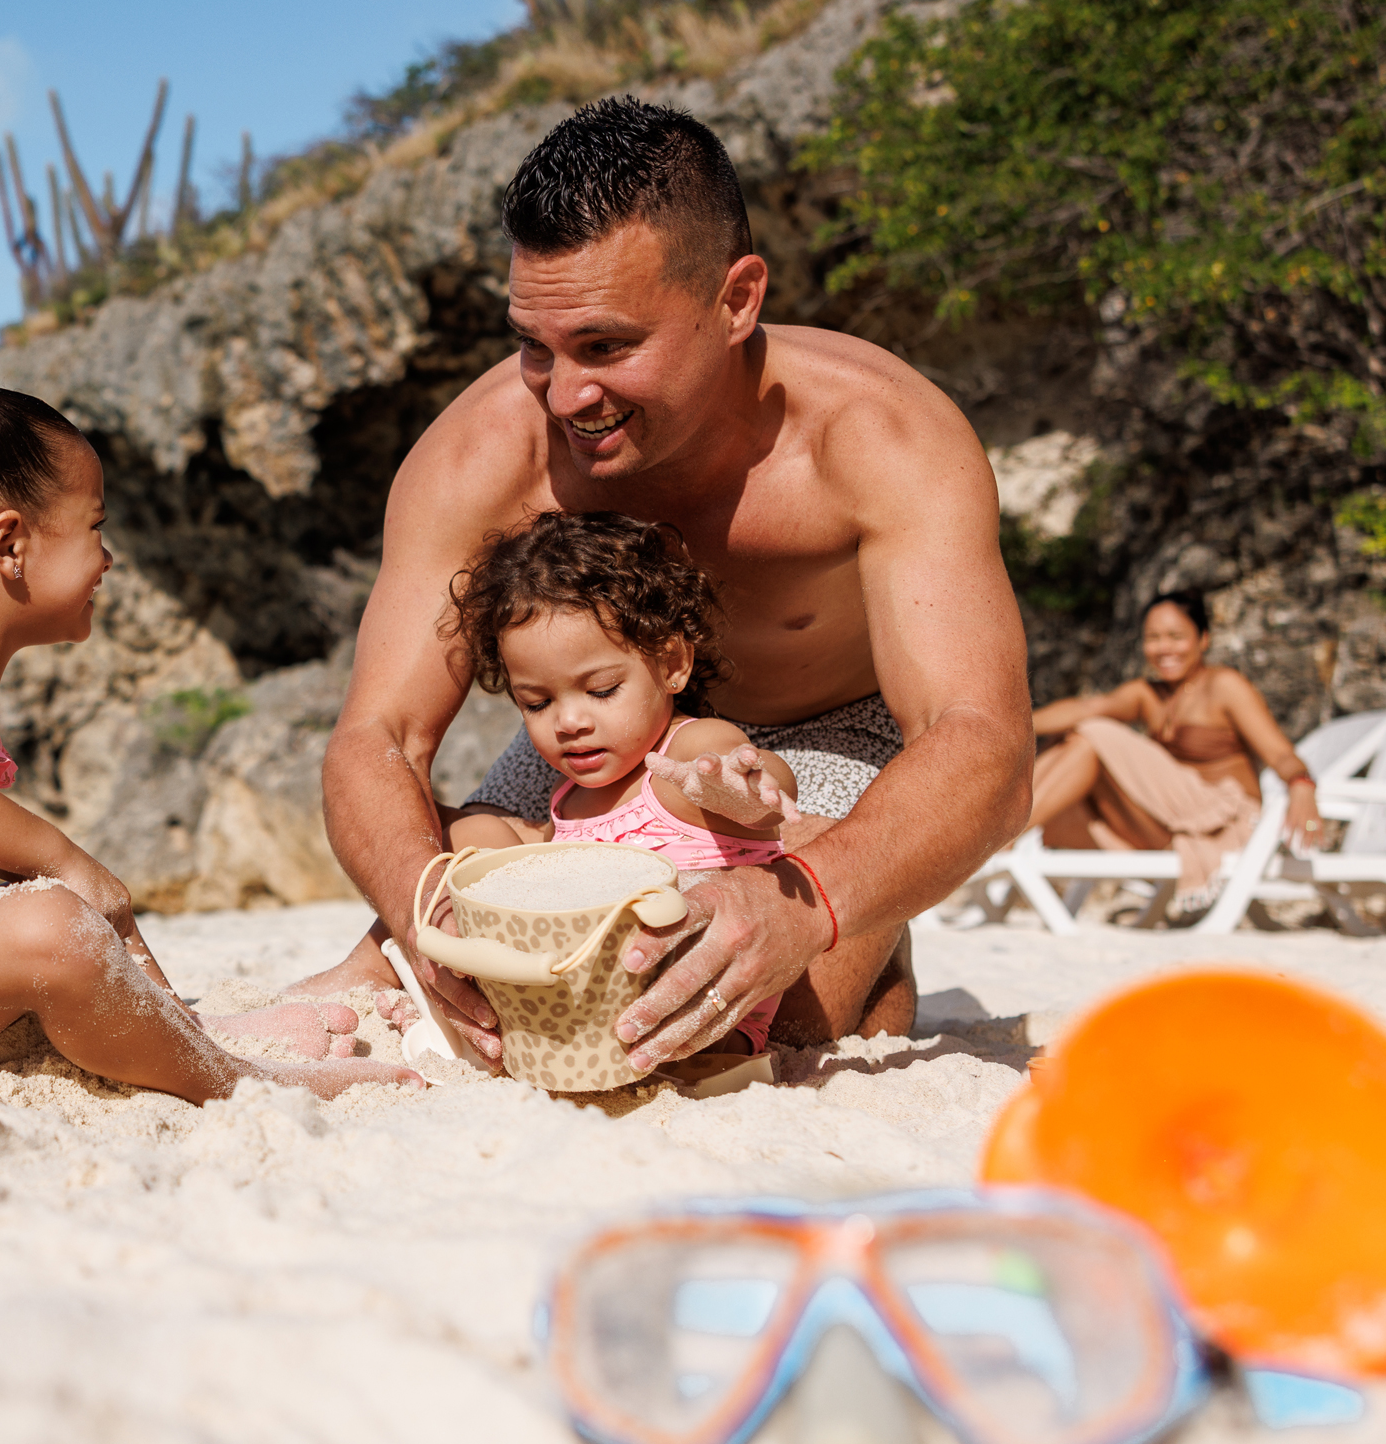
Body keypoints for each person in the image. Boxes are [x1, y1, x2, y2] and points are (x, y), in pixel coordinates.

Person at [288, 96, 1034, 1076]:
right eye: (534, 345)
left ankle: (867, 956)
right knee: (422, 971)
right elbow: (377, 736)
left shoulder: (878, 437)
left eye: (606, 346)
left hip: (828, 735)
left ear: (737, 300)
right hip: (605, 718)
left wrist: (813, 895)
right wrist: (423, 906)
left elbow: (983, 742)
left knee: (752, 1023)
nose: (565, 395)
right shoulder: (484, 455)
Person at [0, 380, 420, 1102]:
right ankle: (234, 1077)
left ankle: (188, 1029)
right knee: (54, 918)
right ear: (10, 545)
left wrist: (82, 884)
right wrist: (62, 856)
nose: (109, 557)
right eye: (96, 525)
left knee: (75, 907)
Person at [436, 511, 803, 1058]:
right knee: (475, 830)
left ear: (673, 663)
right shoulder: (572, 798)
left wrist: (740, 790)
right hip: (591, 1010)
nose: (569, 721)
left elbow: (757, 788)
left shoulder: (684, 758)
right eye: (537, 702)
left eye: (602, 690)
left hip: (704, 1015)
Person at [1025, 589, 1324, 916]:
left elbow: (1280, 753)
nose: (1164, 648)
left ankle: (1005, 833)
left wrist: (1301, 783)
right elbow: (1087, 707)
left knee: (1092, 734)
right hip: (1171, 824)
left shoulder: (1224, 685)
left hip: (1223, 824)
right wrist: (1009, 729)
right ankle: (1007, 828)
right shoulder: (1148, 694)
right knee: (1074, 739)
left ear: (1203, 639)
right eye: (1153, 638)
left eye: (1176, 637)